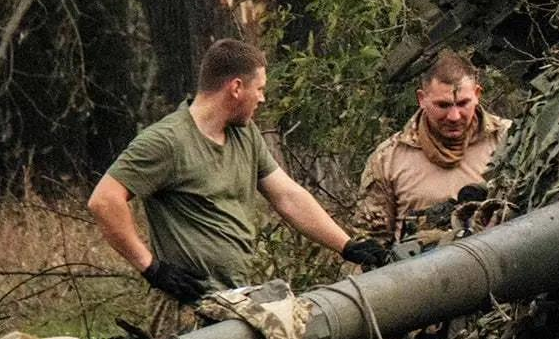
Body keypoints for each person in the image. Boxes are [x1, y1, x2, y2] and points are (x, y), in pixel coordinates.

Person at [88, 39, 391, 310]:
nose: (262, 99)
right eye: (259, 89)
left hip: (238, 299)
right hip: (189, 304)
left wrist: (347, 246)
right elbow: (104, 200)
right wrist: (152, 269)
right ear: (235, 88)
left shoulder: (245, 134)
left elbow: (287, 196)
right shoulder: (167, 141)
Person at [353, 51, 511, 244]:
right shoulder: (388, 159)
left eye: (463, 104)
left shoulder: (510, 139)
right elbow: (370, 244)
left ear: (477, 94)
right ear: (421, 98)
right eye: (442, 105)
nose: (454, 116)